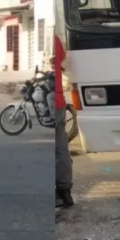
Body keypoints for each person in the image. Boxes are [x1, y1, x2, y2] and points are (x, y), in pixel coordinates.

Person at [51, 35, 74, 208]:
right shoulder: (56, 40)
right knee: (61, 147)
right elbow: (63, 60)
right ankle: (65, 191)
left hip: (51, 100)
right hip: (59, 101)